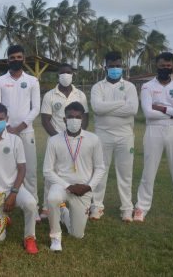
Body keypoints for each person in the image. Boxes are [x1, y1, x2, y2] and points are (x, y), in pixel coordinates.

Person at [134, 52, 173, 224]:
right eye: (162, 66)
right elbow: (148, 112)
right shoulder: (147, 87)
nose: (165, 68)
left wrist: (163, 109)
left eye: (169, 66)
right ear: (157, 66)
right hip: (153, 131)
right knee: (149, 171)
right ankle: (141, 207)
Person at [0, 103, 39, 254]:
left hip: (13, 190)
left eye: (1, 119)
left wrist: (14, 193)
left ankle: (29, 238)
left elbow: (22, 168)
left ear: (7, 119)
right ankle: (2, 217)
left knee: (30, 203)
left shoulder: (15, 140)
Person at [43, 102, 105, 252]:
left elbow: (100, 168)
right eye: (70, 117)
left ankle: (64, 213)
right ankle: (56, 238)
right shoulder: (54, 140)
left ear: (83, 119)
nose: (74, 120)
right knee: (52, 198)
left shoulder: (93, 139)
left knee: (77, 235)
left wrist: (88, 187)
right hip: (62, 185)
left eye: (78, 117)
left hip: (83, 189)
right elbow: (47, 170)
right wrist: (67, 186)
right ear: (64, 119)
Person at [0, 45, 41, 221]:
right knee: (4, 169)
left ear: (24, 59)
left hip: (26, 132)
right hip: (4, 132)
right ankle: (1, 207)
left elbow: (36, 108)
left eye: (19, 57)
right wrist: (5, 128)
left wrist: (19, 127)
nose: (16, 60)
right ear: (8, 60)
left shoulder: (33, 81)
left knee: (30, 171)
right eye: (12, 57)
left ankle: (33, 208)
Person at [89, 51, 138, 222]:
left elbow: (132, 110)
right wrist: (122, 103)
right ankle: (97, 206)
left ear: (122, 66)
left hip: (125, 136)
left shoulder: (130, 87)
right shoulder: (98, 87)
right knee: (100, 171)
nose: (115, 69)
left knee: (125, 173)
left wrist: (107, 107)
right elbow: (97, 108)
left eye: (118, 65)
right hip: (103, 135)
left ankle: (126, 208)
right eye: (112, 66)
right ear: (105, 67)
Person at [40, 63, 89, 219]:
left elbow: (85, 117)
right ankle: (47, 207)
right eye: (63, 73)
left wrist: (79, 133)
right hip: (55, 140)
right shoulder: (50, 95)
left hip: (76, 140)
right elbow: (45, 120)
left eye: (68, 72)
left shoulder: (80, 95)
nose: (66, 75)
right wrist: (58, 138)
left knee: (77, 171)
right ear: (58, 75)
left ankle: (80, 204)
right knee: (51, 173)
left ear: (72, 75)